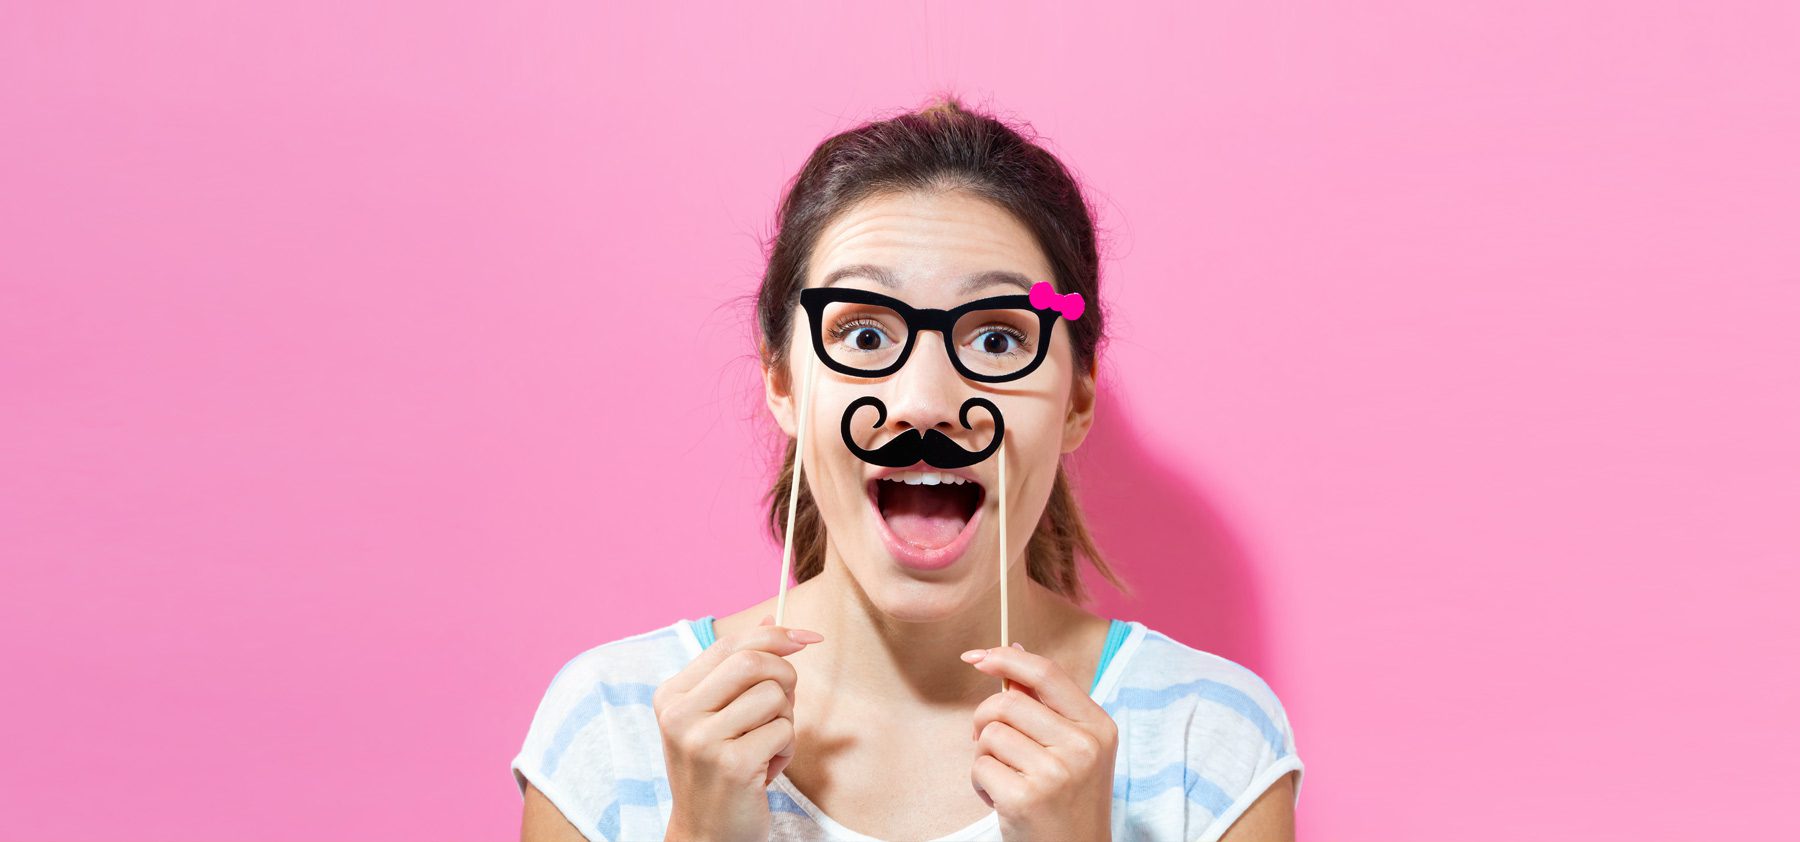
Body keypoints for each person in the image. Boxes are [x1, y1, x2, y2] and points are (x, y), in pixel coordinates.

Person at [513, 95, 1303, 842]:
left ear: (1077, 397)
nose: (925, 404)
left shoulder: (1210, 741)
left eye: (997, 338)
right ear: (782, 381)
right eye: (863, 335)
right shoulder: (612, 725)